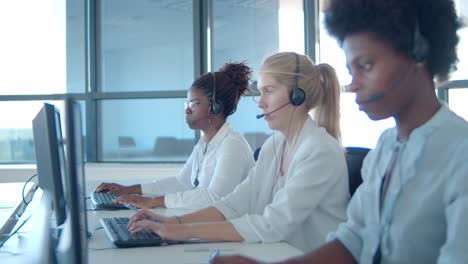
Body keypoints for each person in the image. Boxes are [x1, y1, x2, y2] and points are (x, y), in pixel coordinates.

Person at [213, 0, 468, 263]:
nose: (354, 84)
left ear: (419, 54)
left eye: (366, 66)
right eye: (350, 70)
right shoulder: (386, 147)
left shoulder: (460, 154)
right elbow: (352, 241)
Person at [126, 52, 349, 252]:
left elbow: (273, 224)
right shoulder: (274, 146)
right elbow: (236, 203)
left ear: (297, 96)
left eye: (268, 91)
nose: (260, 103)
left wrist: (182, 232)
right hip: (277, 253)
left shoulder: (319, 150)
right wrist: (174, 223)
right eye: (259, 93)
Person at [95, 62, 255, 210]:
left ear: (216, 106)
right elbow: (182, 182)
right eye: (187, 103)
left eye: (194, 103)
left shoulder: (233, 146)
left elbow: (214, 197)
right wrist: (128, 190)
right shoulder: (204, 143)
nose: (187, 110)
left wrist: (153, 202)